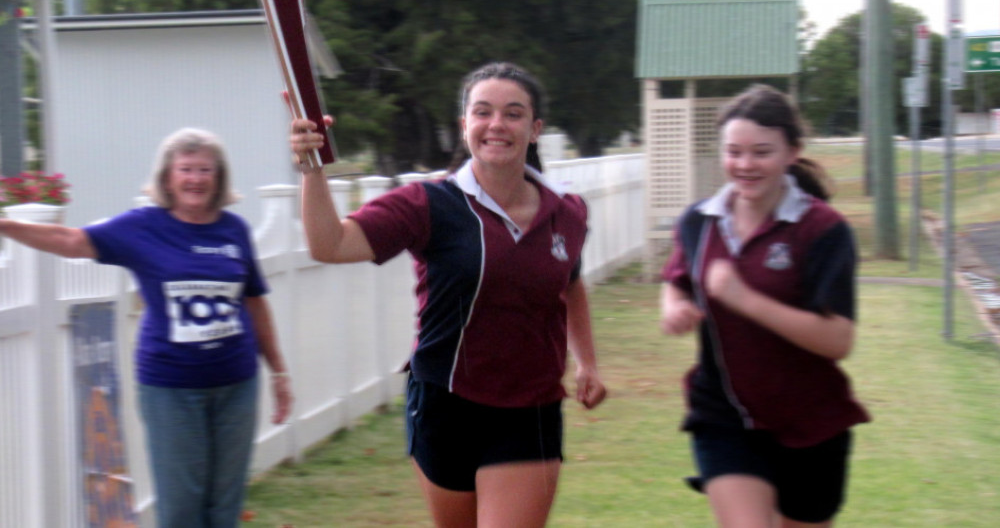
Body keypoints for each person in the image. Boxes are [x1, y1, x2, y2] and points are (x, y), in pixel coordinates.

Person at [290, 61, 607, 527]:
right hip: (445, 403)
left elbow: (570, 281)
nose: (497, 124)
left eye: (513, 113)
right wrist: (311, 169)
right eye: (483, 112)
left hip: (529, 408)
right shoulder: (428, 204)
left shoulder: (568, 212)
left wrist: (588, 362)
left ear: (535, 128)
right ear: (465, 126)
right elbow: (329, 244)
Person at [0, 128, 292, 528]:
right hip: (171, 390)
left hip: (236, 386)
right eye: (186, 169)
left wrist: (278, 371)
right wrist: (5, 225)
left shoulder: (234, 230)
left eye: (205, 169)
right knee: (181, 508)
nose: (195, 178)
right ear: (168, 177)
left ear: (219, 176)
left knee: (225, 505)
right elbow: (70, 240)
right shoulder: (143, 227)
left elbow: (255, 302)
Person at [659, 84, 870, 528]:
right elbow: (677, 280)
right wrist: (674, 306)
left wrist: (745, 300)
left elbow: (838, 340)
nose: (744, 165)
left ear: (792, 151)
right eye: (733, 152)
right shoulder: (698, 222)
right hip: (724, 416)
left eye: (761, 152)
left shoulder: (823, 230)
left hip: (813, 423)